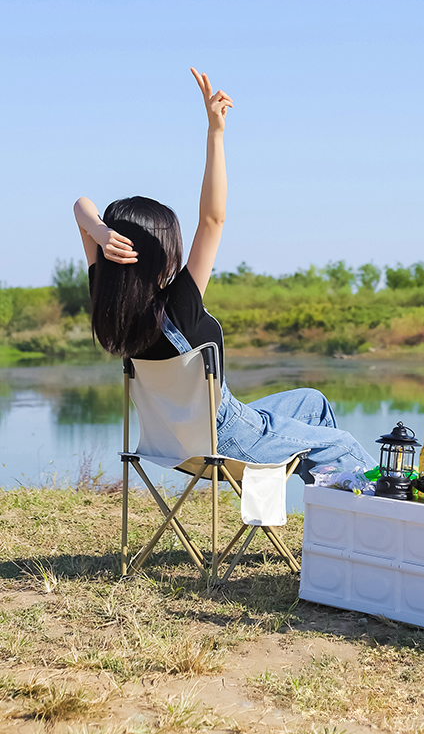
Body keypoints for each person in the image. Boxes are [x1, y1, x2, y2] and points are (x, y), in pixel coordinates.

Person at [74, 68, 374, 475]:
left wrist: (99, 230)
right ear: (163, 254)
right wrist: (216, 133)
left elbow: (81, 206)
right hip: (227, 439)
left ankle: (330, 519)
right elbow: (213, 219)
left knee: (313, 402)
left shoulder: (111, 309)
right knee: (342, 444)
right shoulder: (177, 304)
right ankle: (383, 519)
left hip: (173, 447)